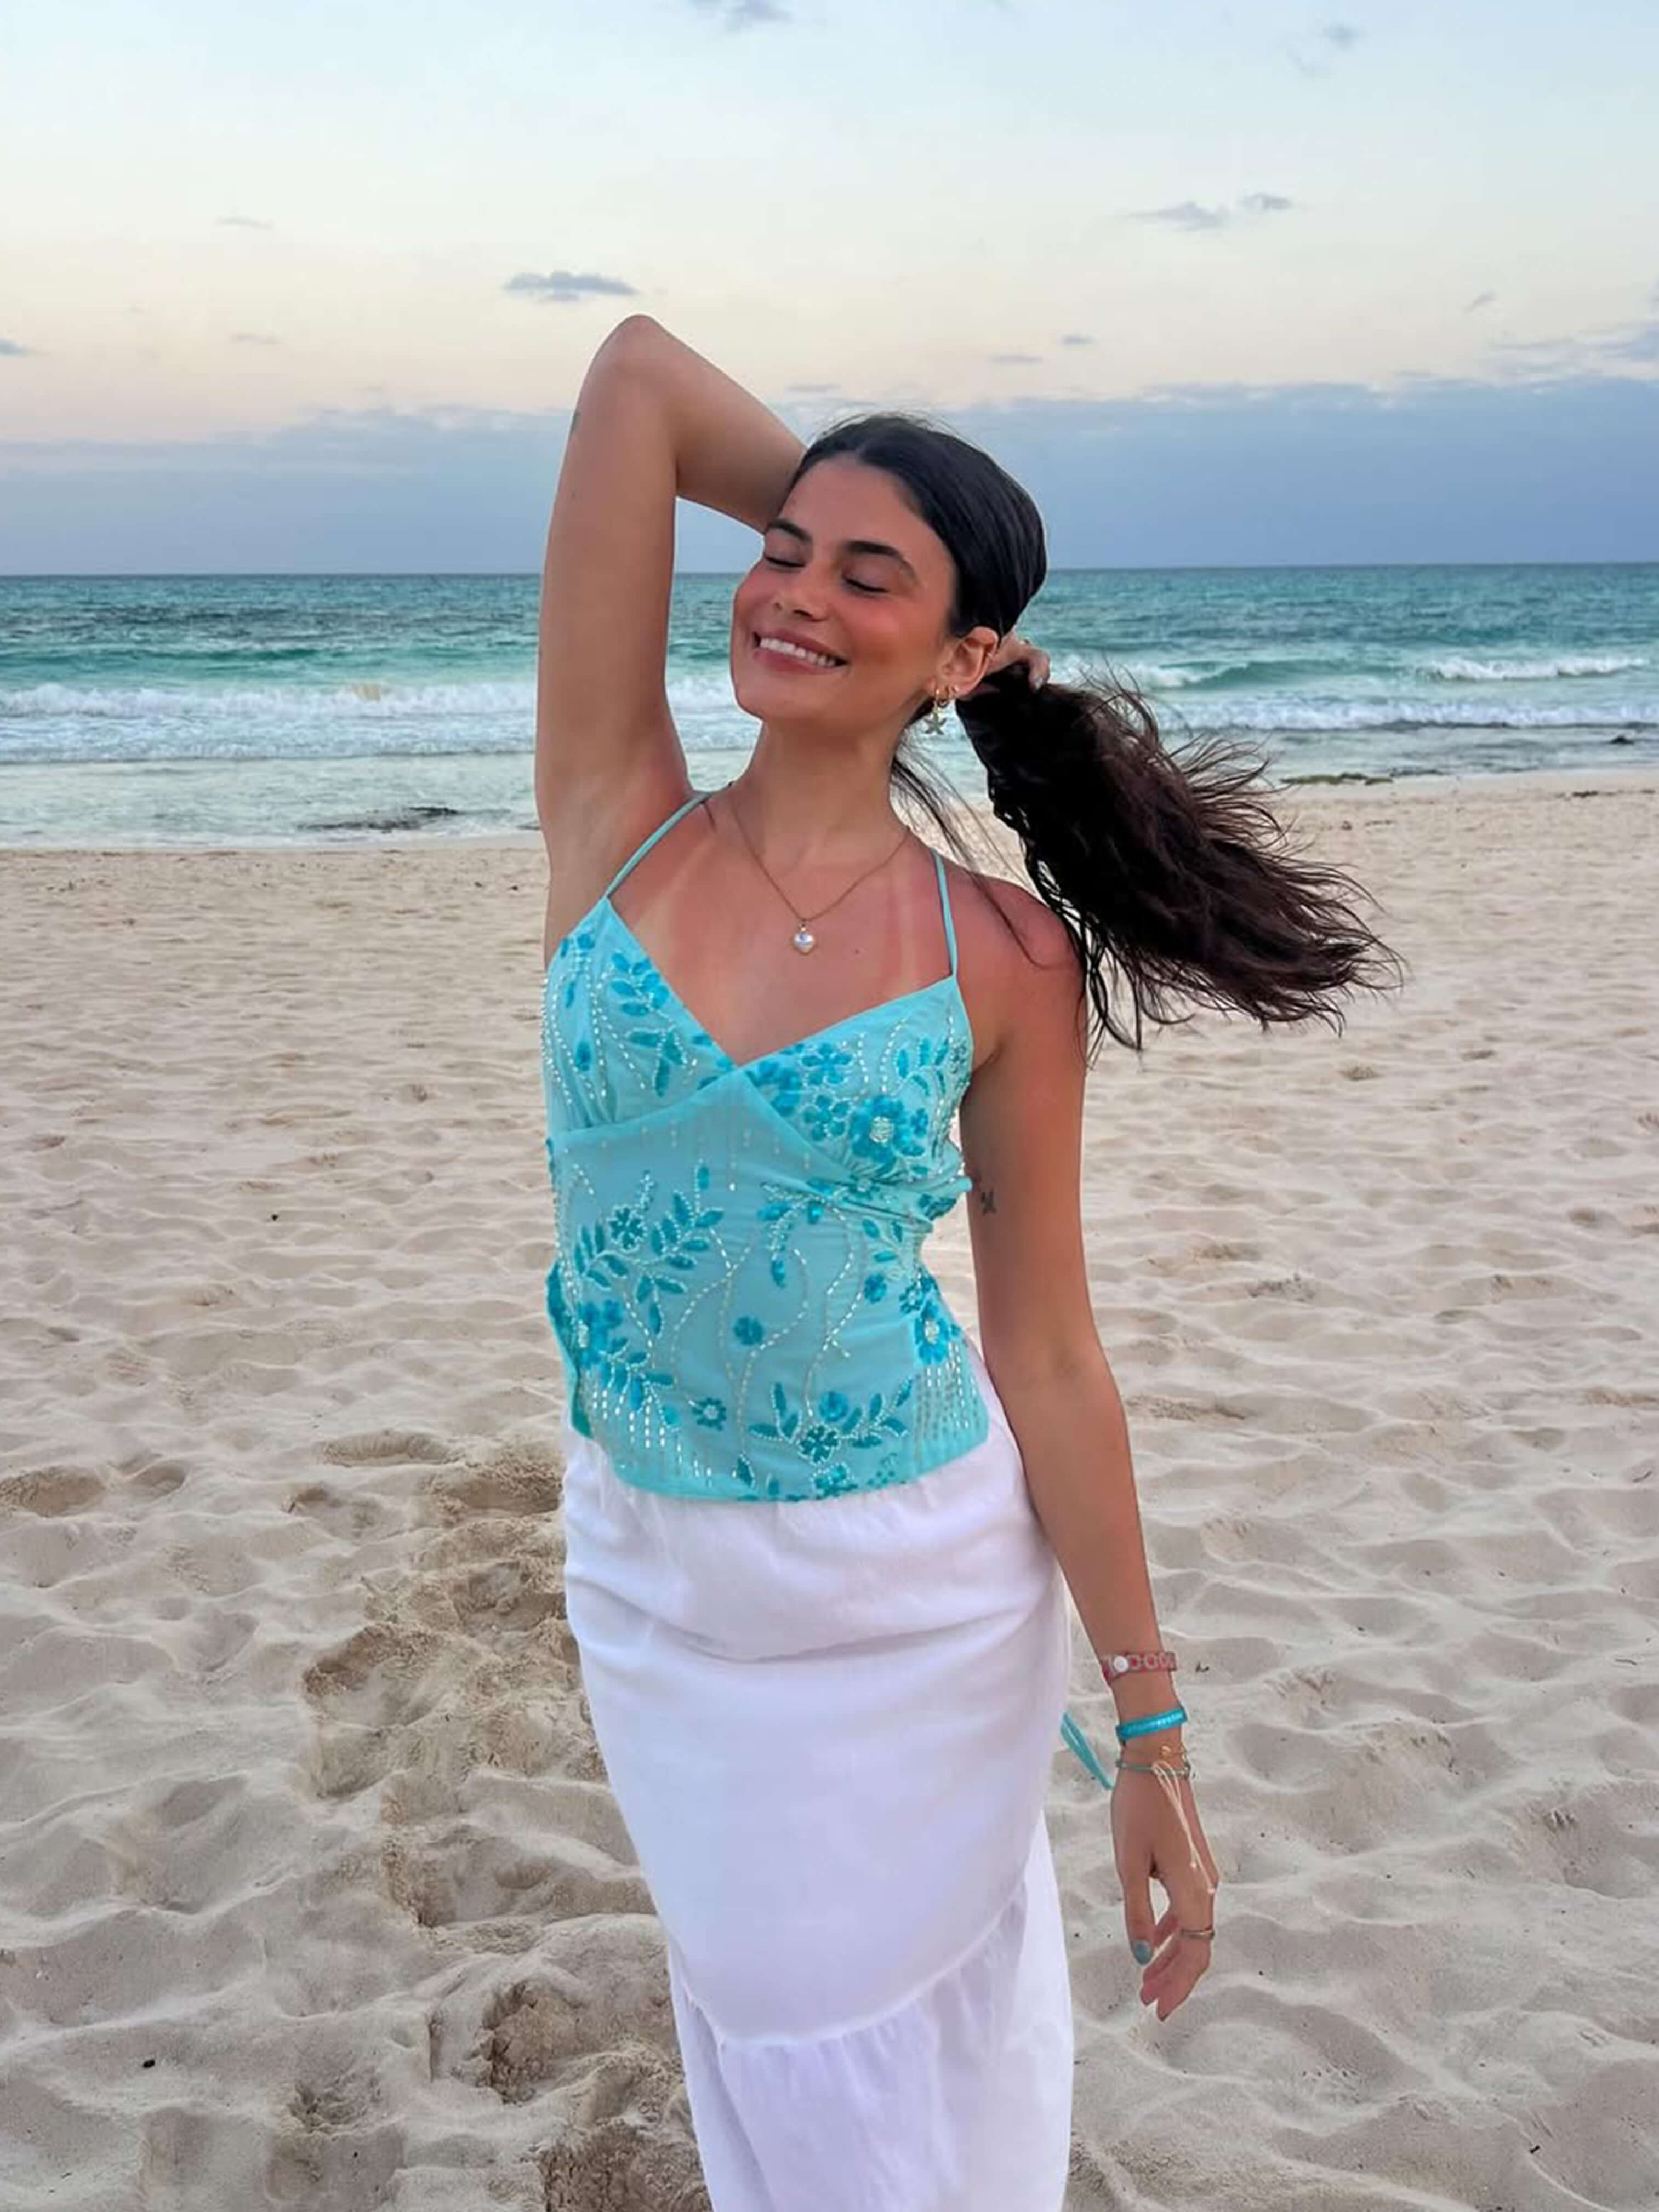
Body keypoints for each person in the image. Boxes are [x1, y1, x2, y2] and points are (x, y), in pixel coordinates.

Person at [534, 314, 1403, 2210]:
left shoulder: (1000, 957)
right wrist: (872, 548)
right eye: (781, 553)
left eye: (869, 578)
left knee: (857, 2039)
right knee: (764, 2026)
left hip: (910, 1588)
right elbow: (635, 381)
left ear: (959, 658)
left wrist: (1152, 1733)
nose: (792, 593)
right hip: (651, 1579)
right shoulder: (612, 819)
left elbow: (1052, 1355)